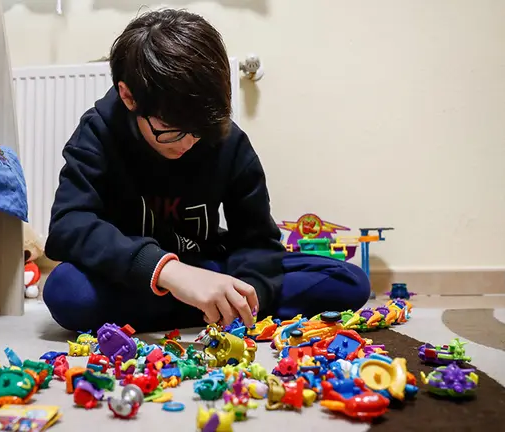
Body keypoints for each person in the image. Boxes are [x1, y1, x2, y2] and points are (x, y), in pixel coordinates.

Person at [43, 8, 370, 333]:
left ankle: (211, 305)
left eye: (198, 130)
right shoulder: (99, 130)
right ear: (129, 97)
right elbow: (68, 225)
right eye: (170, 130)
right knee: (68, 292)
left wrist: (243, 293)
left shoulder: (226, 139)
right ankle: (197, 304)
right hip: (134, 275)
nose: (187, 143)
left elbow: (257, 241)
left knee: (348, 282)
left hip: (209, 266)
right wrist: (169, 273)